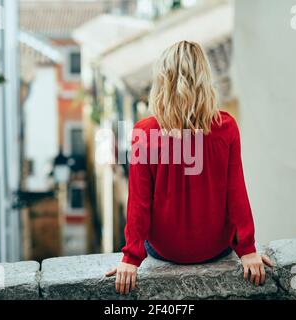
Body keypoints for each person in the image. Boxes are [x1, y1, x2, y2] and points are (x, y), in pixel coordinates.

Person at [106, 41, 273, 295]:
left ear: (163, 82)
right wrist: (247, 249)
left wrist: (130, 258)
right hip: (215, 248)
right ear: (205, 80)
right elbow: (236, 192)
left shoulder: (144, 132)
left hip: (165, 250)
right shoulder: (226, 128)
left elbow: (139, 202)